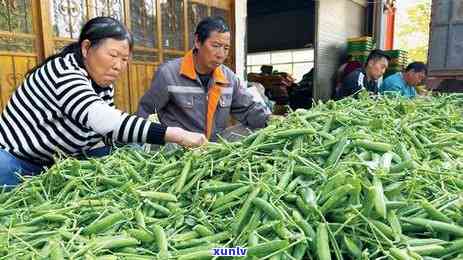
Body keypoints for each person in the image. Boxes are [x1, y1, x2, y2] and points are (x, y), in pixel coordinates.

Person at [0, 17, 207, 187]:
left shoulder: (102, 85)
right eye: (113, 55)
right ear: (86, 48)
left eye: (124, 59)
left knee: (130, 148)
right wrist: (176, 135)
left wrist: (135, 144)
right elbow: (103, 120)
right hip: (15, 160)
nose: (118, 66)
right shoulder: (63, 72)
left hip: (56, 164)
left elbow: (107, 133)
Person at [138, 16, 270, 141]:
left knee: (257, 130)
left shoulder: (229, 78)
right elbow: (146, 112)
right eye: (215, 46)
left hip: (214, 147)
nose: (221, 54)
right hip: (180, 146)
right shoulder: (168, 74)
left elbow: (249, 109)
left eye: (226, 48)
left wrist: (274, 121)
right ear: (197, 42)